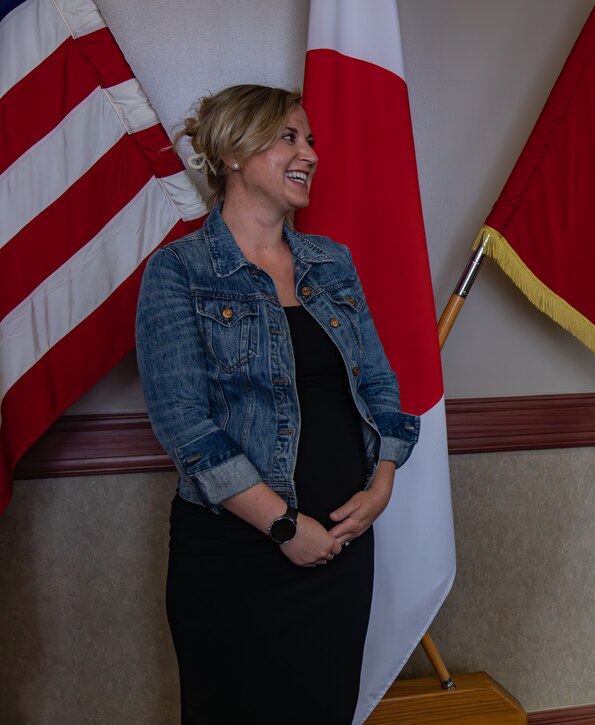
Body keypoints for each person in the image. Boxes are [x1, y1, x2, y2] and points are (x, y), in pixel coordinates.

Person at [135, 84, 418, 724]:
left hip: (340, 554)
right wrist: (285, 527)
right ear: (234, 153)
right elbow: (185, 426)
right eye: (290, 136)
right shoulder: (178, 271)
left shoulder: (332, 264)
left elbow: (379, 387)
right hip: (235, 558)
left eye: (310, 138)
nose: (310, 153)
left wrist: (381, 486)